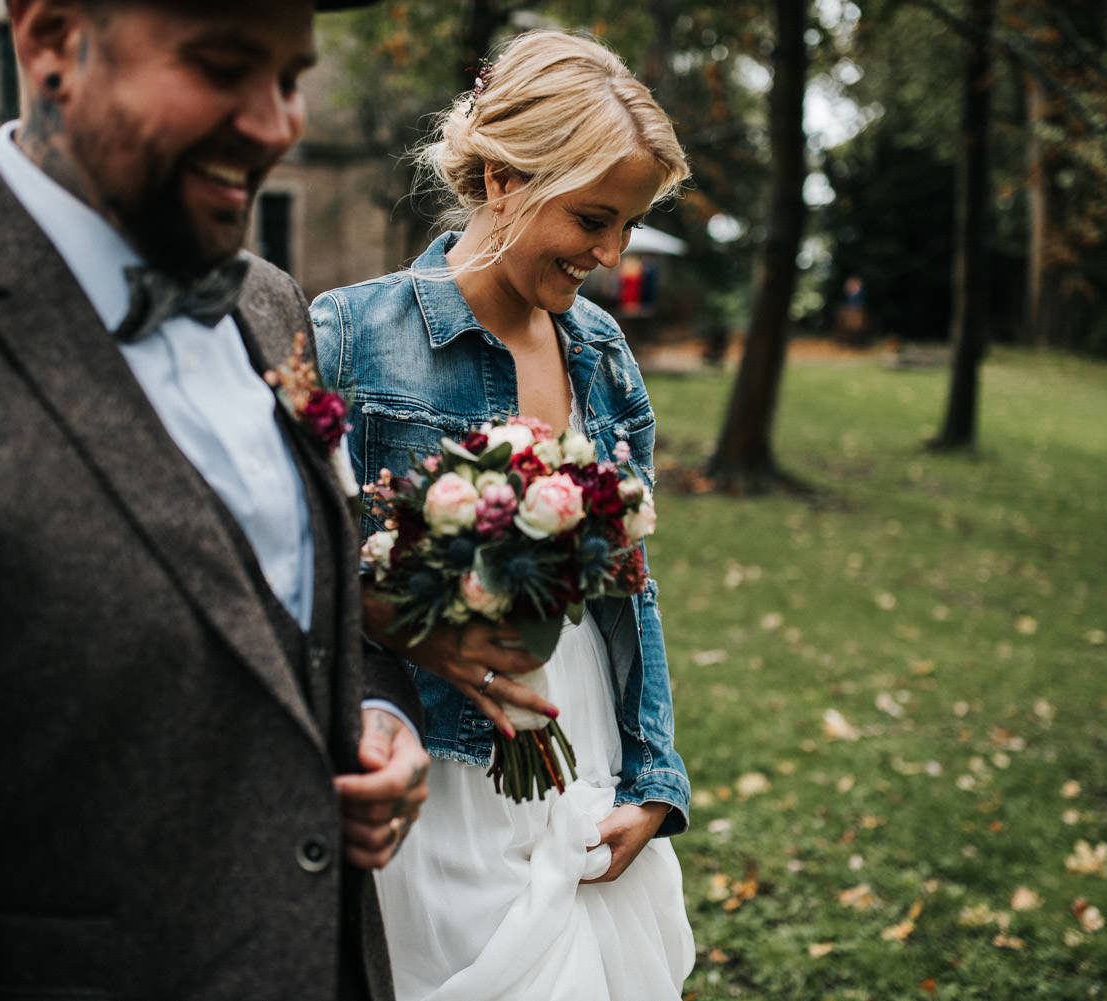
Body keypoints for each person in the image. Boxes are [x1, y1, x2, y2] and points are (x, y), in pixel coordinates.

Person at [0, 2, 433, 998]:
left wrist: (376, 710)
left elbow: (293, 616)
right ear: (51, 41)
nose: (278, 121)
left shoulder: (268, 303)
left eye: (290, 76)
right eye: (222, 61)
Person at [311, 30, 695, 1001]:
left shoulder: (601, 353)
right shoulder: (351, 337)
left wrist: (654, 776)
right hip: (436, 775)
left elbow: (632, 587)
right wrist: (386, 616)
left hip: (586, 756)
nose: (610, 256)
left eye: (629, 225)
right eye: (595, 217)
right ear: (501, 178)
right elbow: (281, 565)